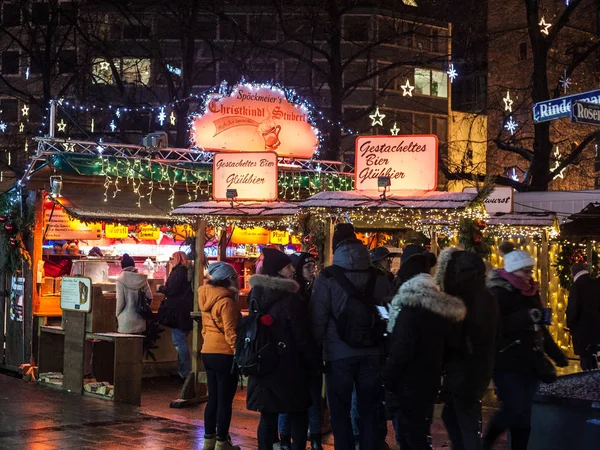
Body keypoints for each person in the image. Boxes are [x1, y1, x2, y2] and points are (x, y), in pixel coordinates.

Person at [310, 223, 390, 450]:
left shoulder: (327, 277)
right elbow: (387, 312)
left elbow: (318, 318)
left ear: (336, 249)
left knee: (339, 410)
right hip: (373, 352)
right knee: (369, 409)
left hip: (338, 354)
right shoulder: (379, 277)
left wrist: (316, 352)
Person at [484, 248, 568, 450]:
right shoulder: (498, 293)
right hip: (507, 360)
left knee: (524, 413)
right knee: (513, 407)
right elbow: (495, 326)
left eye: (531, 271)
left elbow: (540, 328)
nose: (530, 275)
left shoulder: (531, 292)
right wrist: (525, 316)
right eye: (525, 271)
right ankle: (486, 442)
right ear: (513, 271)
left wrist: (556, 354)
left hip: (531, 361)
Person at [383, 251, 466, 450]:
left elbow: (402, 349)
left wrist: (388, 377)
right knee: (420, 430)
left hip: (408, 382)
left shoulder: (410, 308)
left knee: (410, 435)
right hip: (430, 378)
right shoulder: (439, 307)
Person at [246, 248, 319, 450]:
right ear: (278, 271)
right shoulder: (292, 300)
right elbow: (301, 336)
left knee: (268, 416)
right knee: (298, 412)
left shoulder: (255, 294)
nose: (291, 270)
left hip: (264, 362)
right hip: (290, 365)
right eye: (287, 266)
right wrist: (313, 361)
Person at [434, 248, 499, 450]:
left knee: (465, 419)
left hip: (463, 368)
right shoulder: (487, 296)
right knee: (456, 415)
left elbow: (453, 336)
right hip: (479, 366)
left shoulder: (461, 297)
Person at [278, 252, 323, 450]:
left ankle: (315, 437)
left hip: (310, 350)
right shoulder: (294, 292)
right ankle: (285, 438)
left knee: (313, 398)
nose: (311, 271)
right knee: (290, 398)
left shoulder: (316, 288)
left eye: (313, 267)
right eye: (307, 267)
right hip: (297, 354)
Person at [199, 262, 242, 450]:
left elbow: (204, 329)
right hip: (225, 354)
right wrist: (238, 353)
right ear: (228, 280)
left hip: (208, 352)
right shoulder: (227, 301)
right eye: (235, 277)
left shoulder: (205, 296)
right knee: (225, 401)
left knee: (213, 399)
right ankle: (222, 442)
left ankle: (208, 440)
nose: (238, 280)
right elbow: (230, 331)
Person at [158, 251, 194, 382]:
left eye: (172, 259)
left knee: (180, 343)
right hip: (185, 311)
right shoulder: (188, 272)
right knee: (181, 341)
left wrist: (161, 288)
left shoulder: (178, 272)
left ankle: (185, 373)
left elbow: (171, 290)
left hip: (178, 312)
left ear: (177, 259)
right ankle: (183, 372)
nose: (171, 261)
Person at [566, 262, 600, 371]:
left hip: (584, 335)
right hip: (598, 333)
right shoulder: (597, 283)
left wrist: (570, 325)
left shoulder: (576, 286)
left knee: (587, 367)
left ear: (573, 274)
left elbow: (573, 311)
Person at [115, 254, 152, 334]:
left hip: (125, 321)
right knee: (138, 345)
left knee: (125, 345)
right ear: (133, 265)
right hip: (140, 320)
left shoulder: (120, 280)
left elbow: (120, 302)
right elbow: (149, 297)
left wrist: (117, 315)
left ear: (122, 266)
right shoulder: (142, 279)